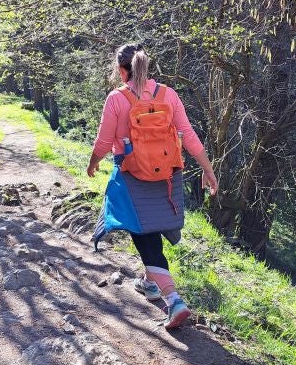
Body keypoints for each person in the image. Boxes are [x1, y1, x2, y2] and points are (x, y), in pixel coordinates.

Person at [87, 43, 218, 329]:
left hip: (133, 176)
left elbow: (104, 142)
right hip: (168, 175)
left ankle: (174, 301)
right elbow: (188, 135)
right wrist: (208, 171)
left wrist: (93, 163)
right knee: (153, 228)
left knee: (143, 233)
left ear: (123, 71)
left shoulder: (117, 99)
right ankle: (149, 282)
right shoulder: (167, 94)